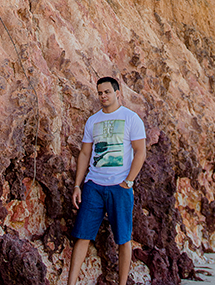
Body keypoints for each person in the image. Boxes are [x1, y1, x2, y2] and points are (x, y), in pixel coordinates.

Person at [67, 76, 147, 285]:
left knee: (123, 239)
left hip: (120, 187)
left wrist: (129, 181)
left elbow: (140, 152)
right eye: (100, 93)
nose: (103, 96)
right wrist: (78, 185)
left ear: (117, 93)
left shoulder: (131, 119)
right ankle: (71, 283)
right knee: (82, 235)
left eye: (107, 92)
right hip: (94, 185)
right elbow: (85, 154)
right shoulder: (93, 120)